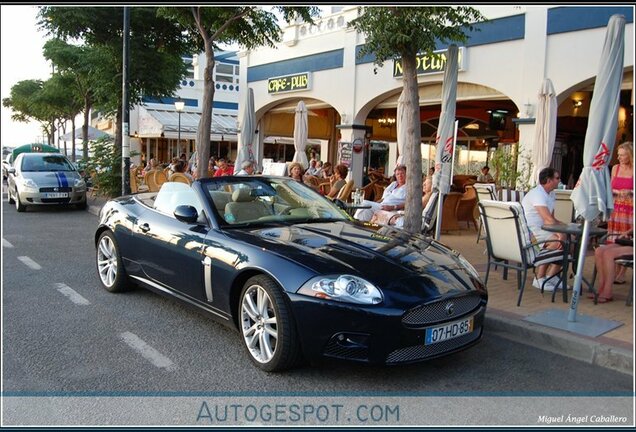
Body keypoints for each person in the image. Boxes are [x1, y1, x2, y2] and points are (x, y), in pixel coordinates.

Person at [521, 167, 566, 292]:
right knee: (558, 242)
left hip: (544, 229)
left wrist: (566, 226)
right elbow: (547, 219)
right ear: (548, 180)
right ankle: (539, 278)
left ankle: (551, 276)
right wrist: (561, 233)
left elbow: (552, 218)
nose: (559, 180)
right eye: (557, 178)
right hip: (532, 232)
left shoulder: (551, 194)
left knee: (570, 240)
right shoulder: (537, 194)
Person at [607, 142, 633, 283]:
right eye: (618, 155)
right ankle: (615, 270)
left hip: (630, 211)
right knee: (613, 239)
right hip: (616, 210)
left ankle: (622, 272)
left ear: (630, 155)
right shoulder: (615, 168)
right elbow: (610, 188)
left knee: (625, 240)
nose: (619, 157)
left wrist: (628, 193)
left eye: (623, 155)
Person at [590, 229, 633, 303]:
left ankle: (607, 291)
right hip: (631, 242)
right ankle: (601, 287)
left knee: (609, 254)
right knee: (599, 251)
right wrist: (627, 232)